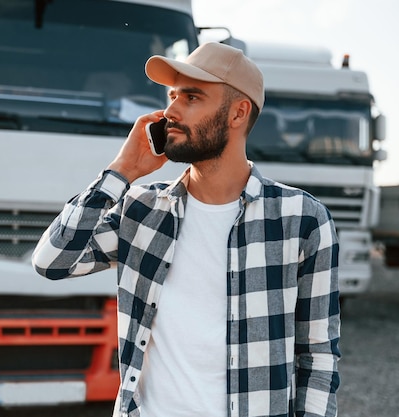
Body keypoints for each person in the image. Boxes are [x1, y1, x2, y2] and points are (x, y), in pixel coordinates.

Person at [33, 42, 341, 417]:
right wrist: (121, 172)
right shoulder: (142, 209)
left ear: (238, 113)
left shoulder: (302, 219)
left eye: (191, 97)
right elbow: (52, 261)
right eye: (172, 95)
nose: (171, 111)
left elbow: (318, 355)